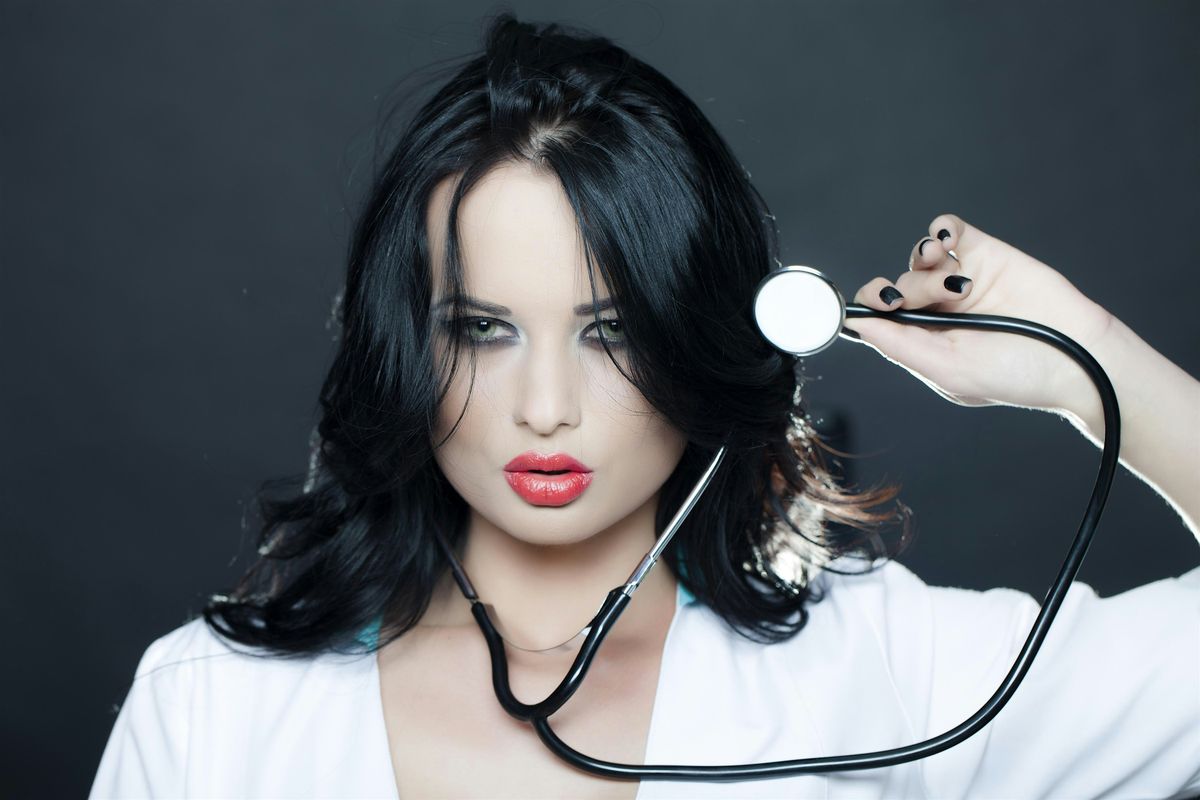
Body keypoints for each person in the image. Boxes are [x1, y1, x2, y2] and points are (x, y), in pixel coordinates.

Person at [89, 12, 1200, 800]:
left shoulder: (889, 672)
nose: (546, 408)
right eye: (483, 329)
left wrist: (1086, 358)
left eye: (611, 332)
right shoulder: (210, 707)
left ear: (704, 339)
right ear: (405, 346)